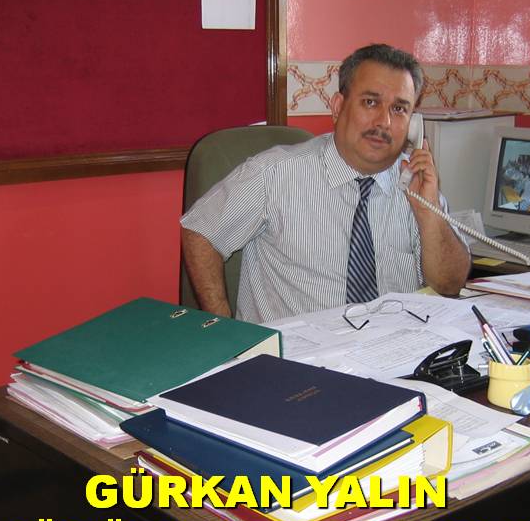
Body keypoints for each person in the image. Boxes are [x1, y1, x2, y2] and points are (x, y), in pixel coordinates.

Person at [181, 43, 471, 323]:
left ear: (413, 124)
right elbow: (201, 230)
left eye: (399, 109)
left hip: (391, 349)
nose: (384, 122)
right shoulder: (275, 173)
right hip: (295, 352)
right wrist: (224, 328)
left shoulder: (415, 183)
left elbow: (449, 286)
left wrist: (429, 213)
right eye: (370, 102)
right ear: (338, 107)